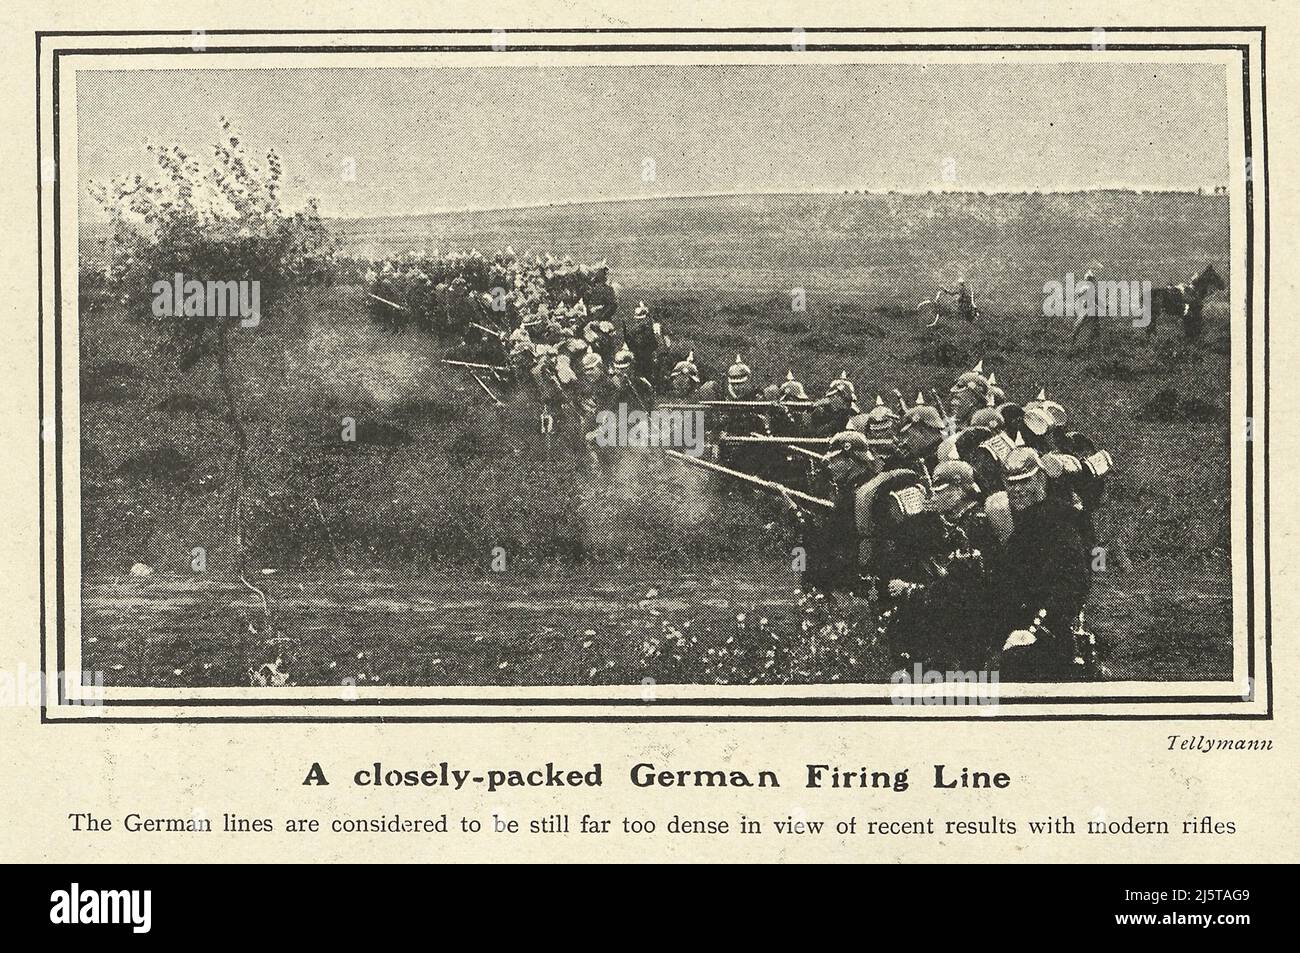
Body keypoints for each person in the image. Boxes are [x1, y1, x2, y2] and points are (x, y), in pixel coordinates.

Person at [986, 446, 1092, 681]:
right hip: (1016, 631)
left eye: (1024, 481)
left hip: (1044, 637)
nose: (1017, 490)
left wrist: (1036, 628)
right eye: (1011, 483)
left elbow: (1073, 582)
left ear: (1040, 478)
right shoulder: (1024, 521)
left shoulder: (1057, 522)